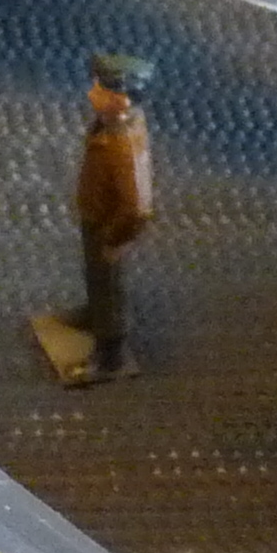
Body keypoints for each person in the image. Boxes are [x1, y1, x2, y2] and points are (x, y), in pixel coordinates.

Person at [63, 53, 154, 386]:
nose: (91, 94)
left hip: (109, 228)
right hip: (96, 216)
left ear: (122, 100)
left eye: (100, 90)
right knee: (96, 278)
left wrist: (115, 240)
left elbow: (138, 209)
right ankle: (94, 313)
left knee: (110, 289)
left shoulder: (123, 144)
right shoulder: (109, 124)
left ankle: (110, 356)